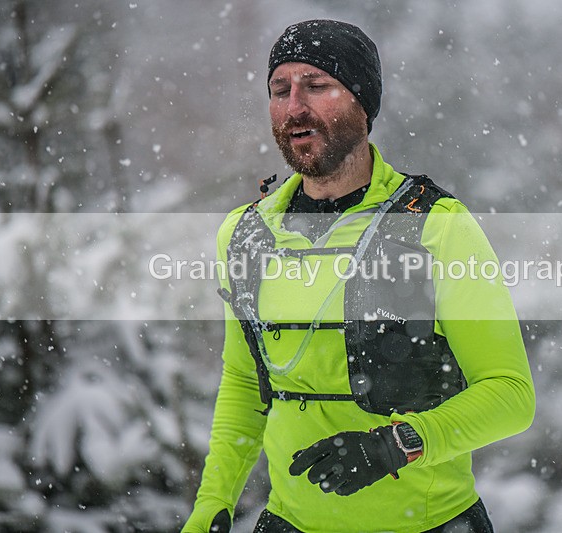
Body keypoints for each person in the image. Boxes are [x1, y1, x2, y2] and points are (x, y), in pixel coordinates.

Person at [182, 19, 535, 533]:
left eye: (317, 85)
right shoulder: (245, 236)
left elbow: (510, 395)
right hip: (290, 524)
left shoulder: (437, 227)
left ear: (362, 103)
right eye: (281, 90)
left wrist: (397, 445)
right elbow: (245, 384)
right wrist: (213, 502)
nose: (295, 106)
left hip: (428, 524)